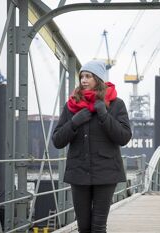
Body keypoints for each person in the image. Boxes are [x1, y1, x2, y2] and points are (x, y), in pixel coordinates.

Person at [52, 60, 132, 233]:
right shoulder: (71, 106)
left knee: (98, 228)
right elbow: (57, 140)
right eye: (82, 76)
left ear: (98, 79)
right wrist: (74, 122)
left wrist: (104, 115)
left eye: (88, 76)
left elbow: (124, 137)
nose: (83, 80)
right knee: (84, 228)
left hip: (106, 172)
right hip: (78, 173)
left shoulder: (116, 104)